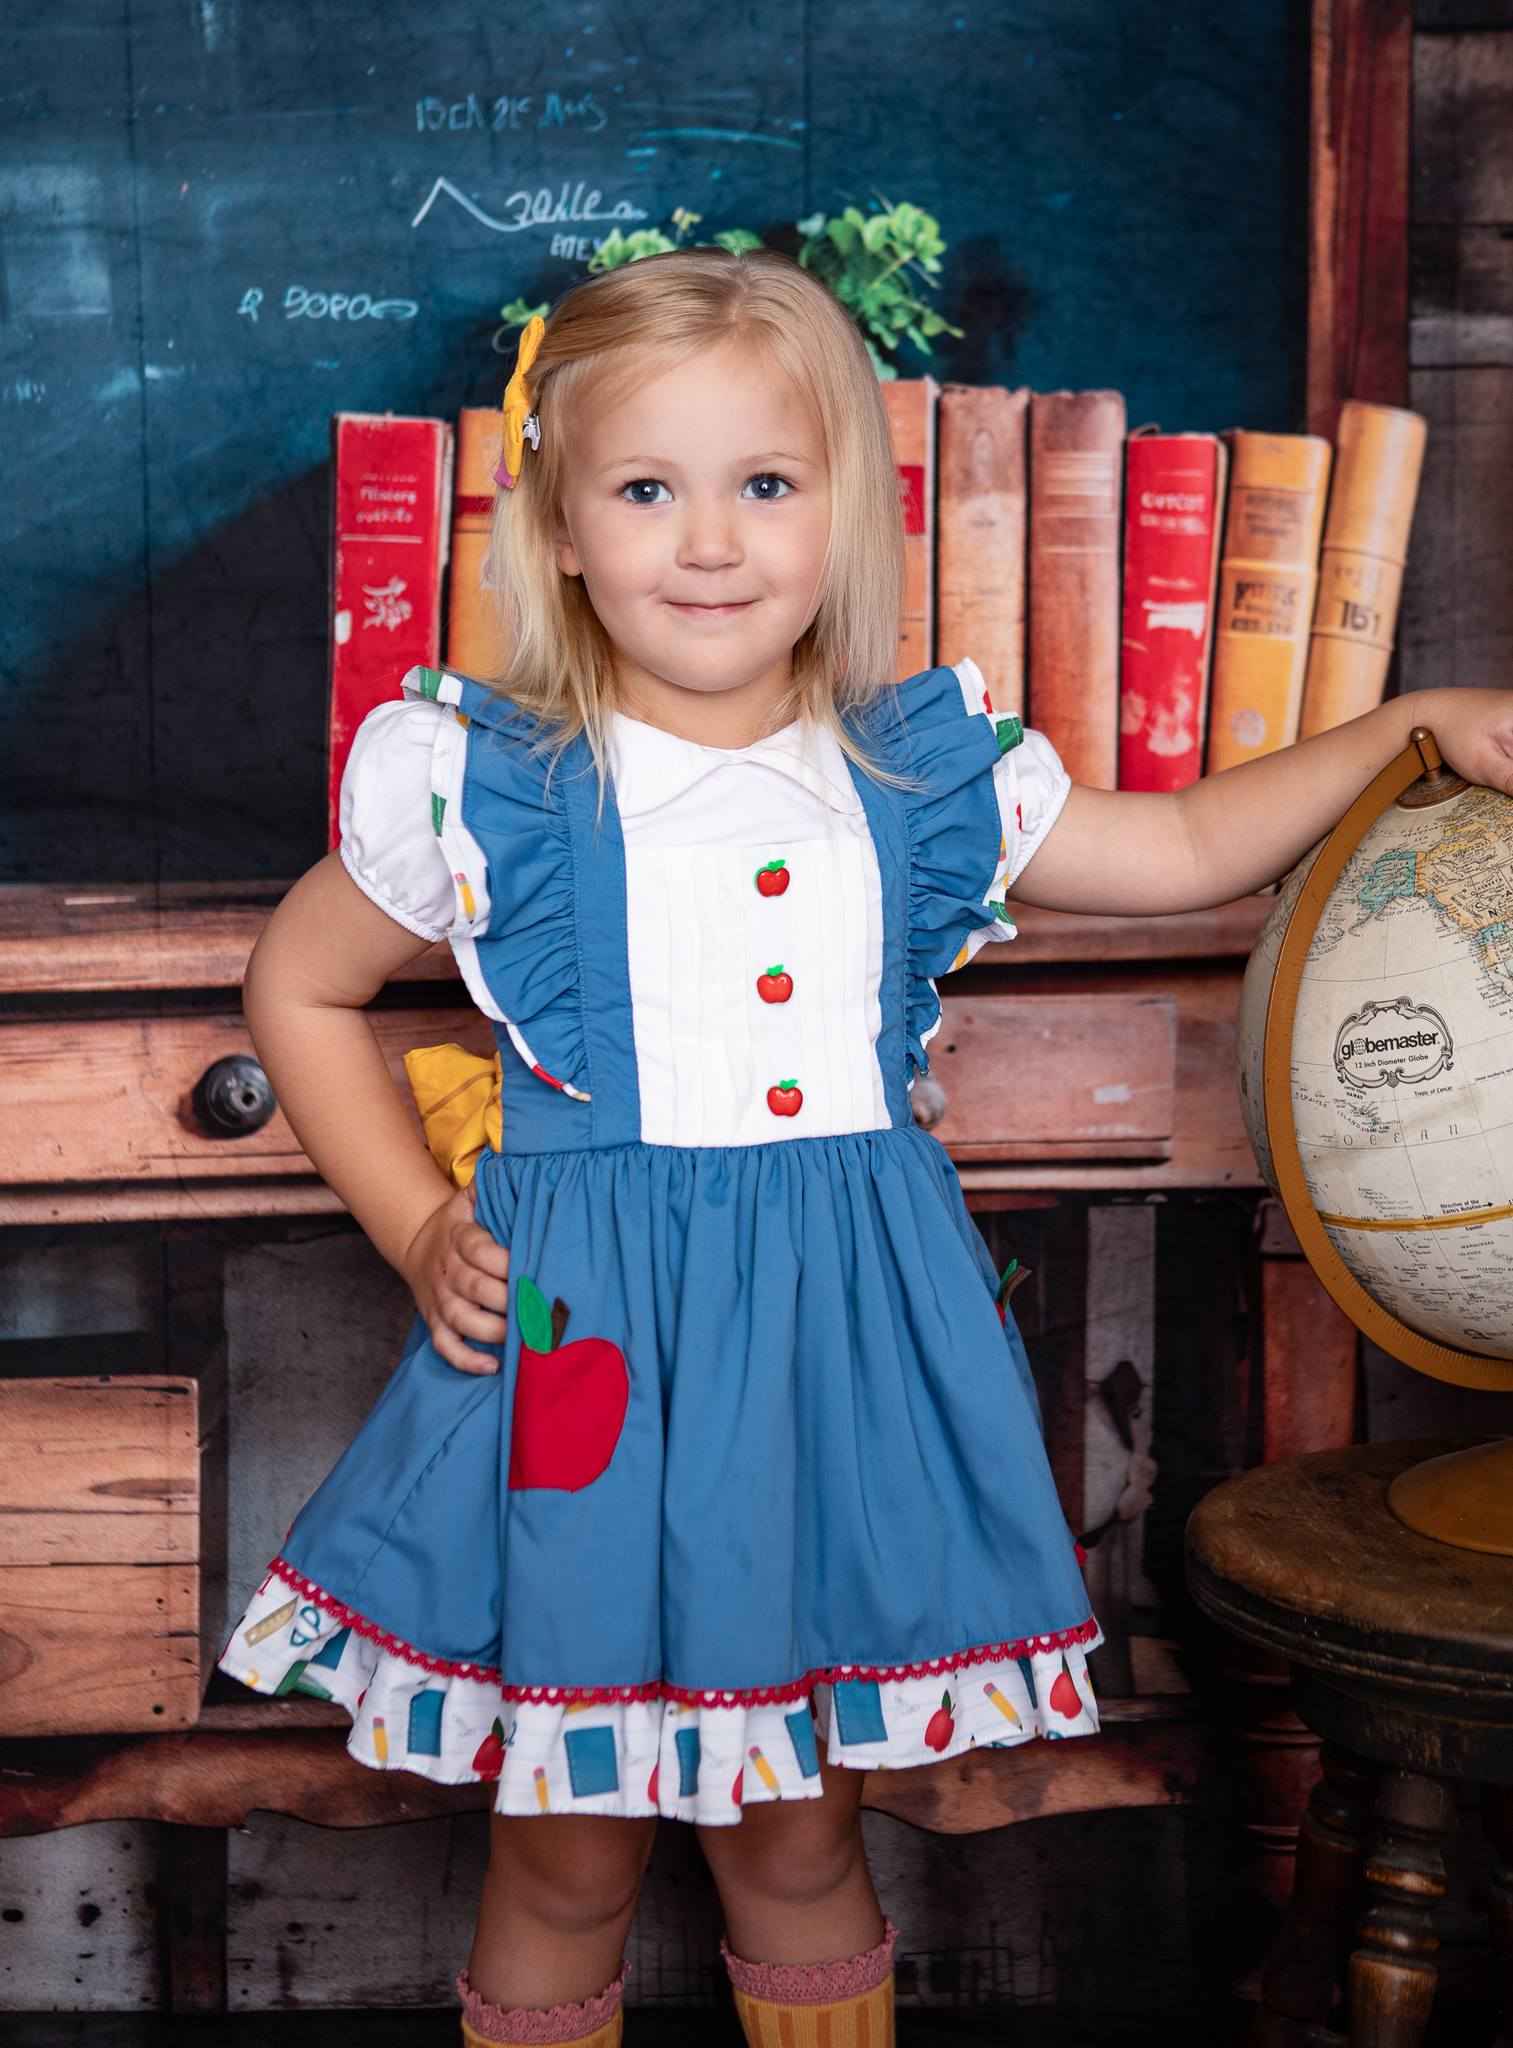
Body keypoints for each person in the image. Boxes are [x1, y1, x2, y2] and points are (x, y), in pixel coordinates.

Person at [217, 246, 1513, 2048]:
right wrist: (418, 1223)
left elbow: (1184, 844)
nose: (709, 540)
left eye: (765, 485)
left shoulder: (917, 770)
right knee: (563, 1856)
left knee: (798, 1837)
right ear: (564, 529)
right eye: (647, 489)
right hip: (594, 1366)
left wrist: (1404, 727)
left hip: (834, 1365)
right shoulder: (486, 778)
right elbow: (297, 989)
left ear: (847, 511)